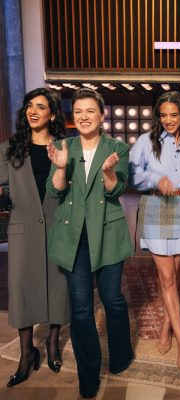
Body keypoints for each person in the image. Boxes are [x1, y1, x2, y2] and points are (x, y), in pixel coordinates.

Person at [46, 88, 134, 398]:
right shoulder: (63, 147)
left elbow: (115, 190)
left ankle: (121, 355)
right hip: (74, 238)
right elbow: (55, 191)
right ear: (74, 116)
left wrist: (108, 172)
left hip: (107, 233)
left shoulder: (117, 148)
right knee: (81, 309)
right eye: (78, 112)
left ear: (102, 115)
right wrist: (60, 167)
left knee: (112, 300)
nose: (84, 117)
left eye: (90, 111)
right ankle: (88, 376)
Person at [128, 91, 180, 371]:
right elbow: (132, 175)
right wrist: (155, 178)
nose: (168, 120)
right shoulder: (145, 142)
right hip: (154, 207)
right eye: (163, 115)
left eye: (174, 115)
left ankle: (166, 326)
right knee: (167, 278)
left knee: (171, 277)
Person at [0, 87, 70, 387]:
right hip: (22, 230)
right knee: (22, 289)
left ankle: (53, 343)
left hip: (58, 227)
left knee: (57, 286)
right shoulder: (9, 148)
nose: (33, 111)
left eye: (41, 106)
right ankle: (27, 352)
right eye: (30, 105)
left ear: (52, 114)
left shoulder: (65, 147)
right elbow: (4, 188)